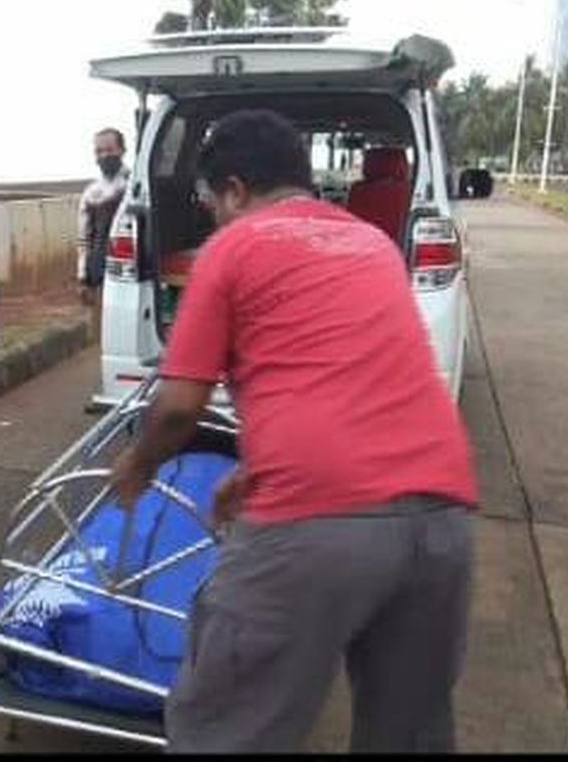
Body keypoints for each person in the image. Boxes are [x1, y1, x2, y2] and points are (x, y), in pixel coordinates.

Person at [110, 110, 477, 753]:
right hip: (442, 523)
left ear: (233, 190)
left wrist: (138, 465)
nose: (213, 217)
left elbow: (177, 407)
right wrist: (253, 471)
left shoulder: (233, 247)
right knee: (408, 734)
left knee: (225, 725)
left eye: (209, 202)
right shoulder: (371, 245)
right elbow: (355, 382)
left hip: (313, 527)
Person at [76, 127, 128, 305]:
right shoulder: (91, 193)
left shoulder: (137, 186)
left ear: (122, 150)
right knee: (102, 330)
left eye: (109, 150)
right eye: (99, 151)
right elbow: (84, 240)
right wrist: (83, 278)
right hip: (100, 278)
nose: (104, 156)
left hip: (134, 279)